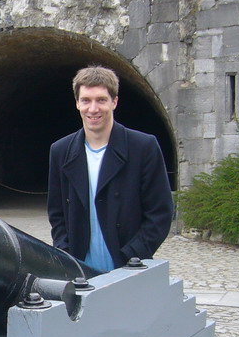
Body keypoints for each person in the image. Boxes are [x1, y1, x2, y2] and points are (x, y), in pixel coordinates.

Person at [47, 65, 174, 273]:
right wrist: (65, 253)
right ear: (77, 103)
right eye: (86, 100)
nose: (93, 108)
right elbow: (57, 212)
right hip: (79, 269)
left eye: (101, 100)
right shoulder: (60, 151)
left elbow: (160, 213)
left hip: (129, 267)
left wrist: (132, 255)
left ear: (114, 102)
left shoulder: (143, 147)